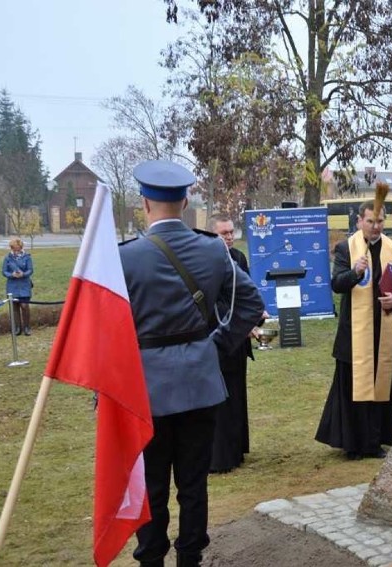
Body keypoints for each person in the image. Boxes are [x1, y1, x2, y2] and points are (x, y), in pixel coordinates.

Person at [120, 160, 264, 567]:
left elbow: (106, 325)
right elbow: (251, 303)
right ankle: (190, 559)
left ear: (144, 203)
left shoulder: (125, 259)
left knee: (151, 485)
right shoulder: (213, 251)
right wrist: (215, 346)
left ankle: (150, 559)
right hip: (200, 384)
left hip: (145, 391)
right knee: (193, 483)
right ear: (184, 202)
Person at [315, 199, 392, 460]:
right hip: (354, 334)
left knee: (379, 389)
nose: (375, 226)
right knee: (353, 390)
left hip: (383, 332)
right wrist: (355, 273)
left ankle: (374, 442)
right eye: (370, 221)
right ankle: (353, 444)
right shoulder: (346, 248)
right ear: (359, 222)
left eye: (380, 221)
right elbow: (336, 285)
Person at [208, 214, 267, 474]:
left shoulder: (239, 259)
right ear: (212, 235)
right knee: (220, 400)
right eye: (224, 233)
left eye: (232, 232)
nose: (230, 237)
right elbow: (214, 303)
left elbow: (247, 294)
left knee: (237, 396)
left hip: (239, 343)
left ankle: (237, 448)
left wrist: (254, 319)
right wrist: (240, 325)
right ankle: (220, 457)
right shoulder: (206, 262)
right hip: (219, 338)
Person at [2, 237, 33, 335]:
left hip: (24, 285)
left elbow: (30, 270)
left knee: (24, 306)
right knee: (14, 307)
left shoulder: (27, 257)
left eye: (18, 248)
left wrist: (23, 274)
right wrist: (12, 275)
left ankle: (27, 327)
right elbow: (4, 271)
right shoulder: (7, 258)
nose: (16, 250)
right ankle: (17, 328)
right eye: (14, 248)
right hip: (12, 285)